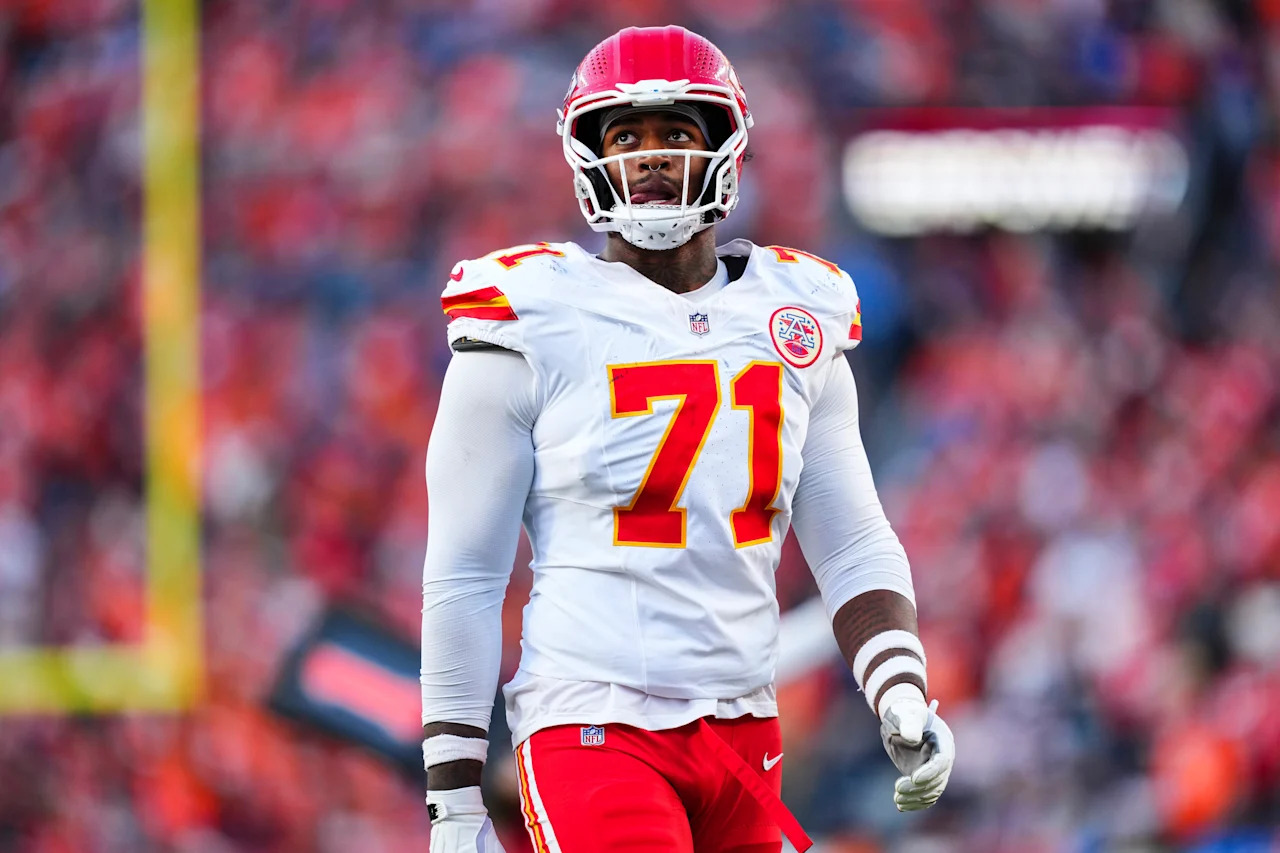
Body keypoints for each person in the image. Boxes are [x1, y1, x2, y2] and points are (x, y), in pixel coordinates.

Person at [420, 25, 955, 853]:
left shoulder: (794, 315)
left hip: (744, 732)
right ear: (586, 154)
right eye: (625, 135)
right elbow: (464, 573)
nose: (652, 156)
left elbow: (851, 542)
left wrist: (899, 687)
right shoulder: (530, 316)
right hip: (591, 724)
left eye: (677, 132)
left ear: (727, 148)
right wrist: (453, 798)